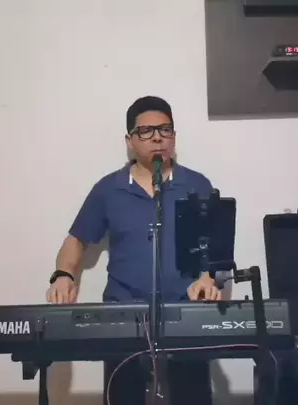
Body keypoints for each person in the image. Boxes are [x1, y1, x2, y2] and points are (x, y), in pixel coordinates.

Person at [46, 96, 221, 405]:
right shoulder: (108, 189)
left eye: (165, 129)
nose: (157, 137)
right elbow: (76, 240)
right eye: (146, 131)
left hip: (187, 311)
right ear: (130, 140)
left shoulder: (197, 185)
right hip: (123, 313)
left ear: (174, 136)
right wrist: (63, 275)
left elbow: (216, 245)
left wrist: (208, 277)